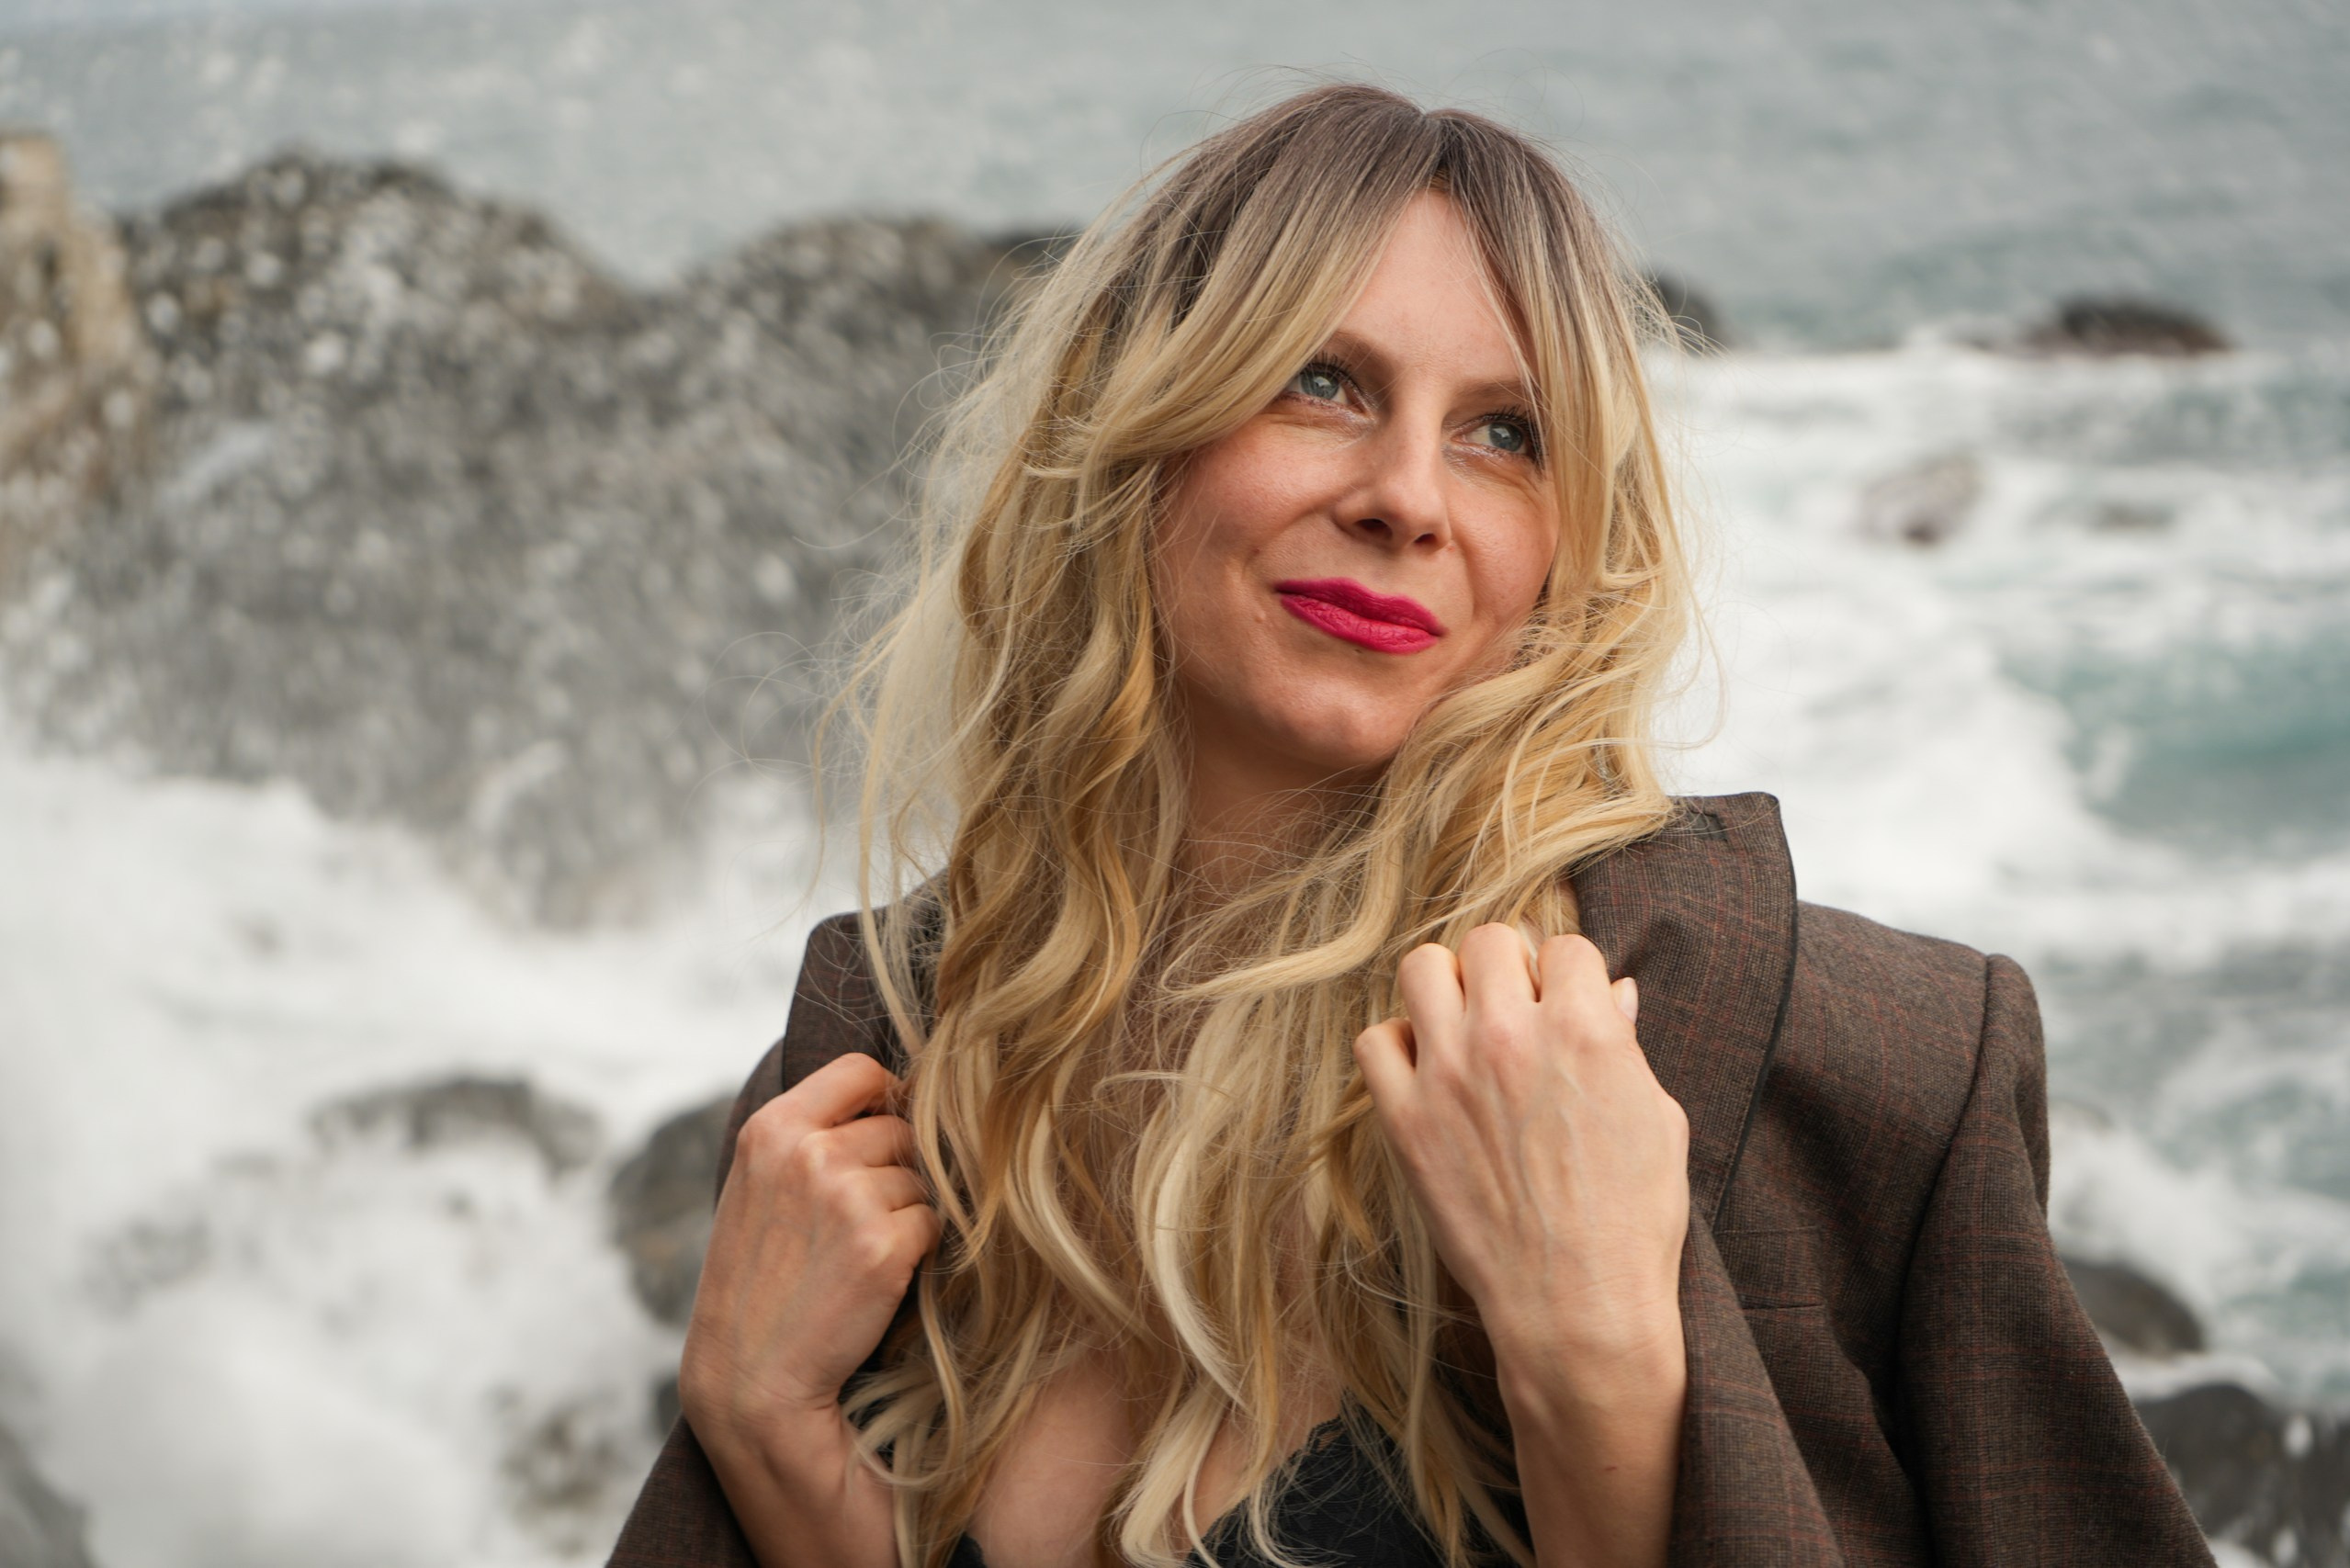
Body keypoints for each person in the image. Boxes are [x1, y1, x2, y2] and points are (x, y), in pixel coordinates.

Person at [610, 84, 2209, 1568]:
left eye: (1505, 434)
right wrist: (779, 1453)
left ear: (1571, 546)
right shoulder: (892, 1069)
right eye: (1323, 382)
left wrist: (1599, 1378)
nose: (1409, 496)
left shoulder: (1857, 1076)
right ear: (1137, 441)